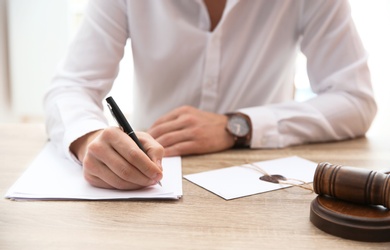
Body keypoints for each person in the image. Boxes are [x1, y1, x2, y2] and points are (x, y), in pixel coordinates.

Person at [44, 0, 377, 190]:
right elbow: (71, 86)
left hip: (261, 184)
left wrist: (240, 126)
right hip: (149, 177)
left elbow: (355, 99)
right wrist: (89, 139)